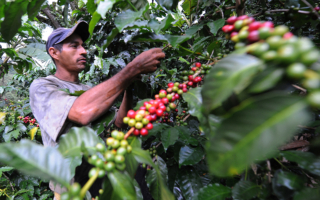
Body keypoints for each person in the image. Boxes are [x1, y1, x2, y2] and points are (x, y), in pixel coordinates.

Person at [29, 20, 165, 199]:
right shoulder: (42, 86)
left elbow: (119, 124)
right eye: (74, 46)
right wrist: (132, 69)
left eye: (83, 46)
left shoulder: (87, 90)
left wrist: (129, 86)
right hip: (74, 189)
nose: (84, 51)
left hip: (103, 176)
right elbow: (82, 113)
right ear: (54, 53)